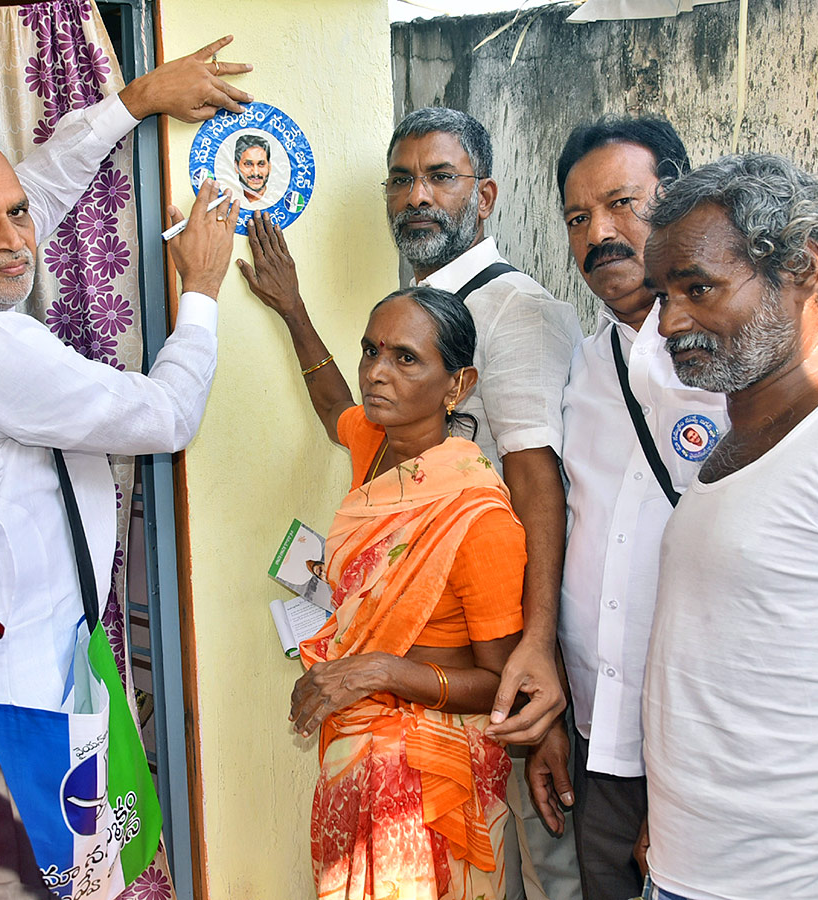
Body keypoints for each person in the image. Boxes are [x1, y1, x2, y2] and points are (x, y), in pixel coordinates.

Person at [239, 105, 583, 900]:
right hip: (371, 741)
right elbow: (344, 410)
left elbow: (537, 482)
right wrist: (293, 310)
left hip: (487, 671)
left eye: (440, 176)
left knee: (536, 871)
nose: (417, 196)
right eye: (401, 179)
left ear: (484, 194)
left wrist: (538, 654)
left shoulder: (516, 312)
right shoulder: (396, 387)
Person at [0, 38, 245, 715]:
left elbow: (32, 192)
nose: (15, 240)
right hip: (23, 682)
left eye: (14, 213)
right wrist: (203, 288)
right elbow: (167, 416)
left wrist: (137, 101)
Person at [641, 153, 818, 900]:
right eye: (662, 294)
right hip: (682, 864)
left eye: (698, 288)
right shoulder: (730, 442)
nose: (670, 322)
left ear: (801, 269)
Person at [526, 117, 722, 900]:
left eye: (621, 204)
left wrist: (685, 787)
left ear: (677, 202)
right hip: (597, 742)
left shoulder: (745, 361)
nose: (599, 235)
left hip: (706, 750)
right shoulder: (582, 364)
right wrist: (554, 718)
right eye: (578, 218)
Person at [282, 285, 524, 900]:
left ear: (457, 385)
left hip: (433, 775)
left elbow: (504, 685)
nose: (376, 373)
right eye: (371, 351)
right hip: (355, 750)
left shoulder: (478, 516)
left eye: (405, 358)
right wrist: (293, 308)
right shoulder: (375, 446)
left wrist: (381, 670)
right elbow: (332, 402)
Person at [234, 132, 271, 204]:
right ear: (236, 166)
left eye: (261, 164)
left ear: (269, 167)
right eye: (248, 164)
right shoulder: (231, 197)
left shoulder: (277, 199)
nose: (256, 172)